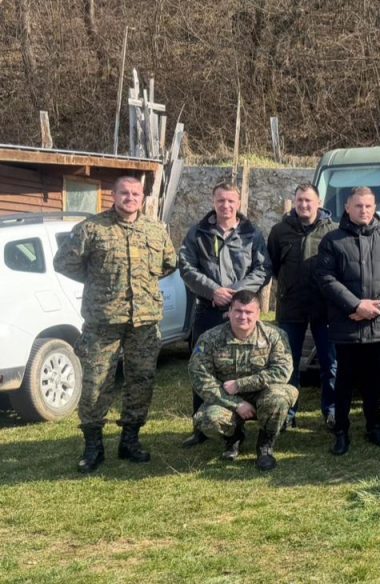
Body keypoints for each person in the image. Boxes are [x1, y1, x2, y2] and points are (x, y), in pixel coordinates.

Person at [53, 176, 178, 473]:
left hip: (144, 320)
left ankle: (130, 440)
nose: (130, 198)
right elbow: (64, 263)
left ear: (143, 197)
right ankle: (93, 446)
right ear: (113, 195)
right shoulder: (91, 228)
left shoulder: (155, 230)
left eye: (135, 193)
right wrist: (99, 283)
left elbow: (169, 263)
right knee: (96, 383)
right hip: (103, 320)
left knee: (141, 381)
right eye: (124, 193)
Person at [314, 187, 380, 455]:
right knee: (344, 380)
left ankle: (374, 427)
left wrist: (376, 308)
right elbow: (325, 278)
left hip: (378, 325)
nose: (364, 210)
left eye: (368, 206)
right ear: (347, 207)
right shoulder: (332, 241)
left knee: (374, 379)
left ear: (375, 207)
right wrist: (356, 305)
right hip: (347, 322)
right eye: (358, 206)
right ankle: (341, 431)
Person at [178, 182, 270, 447]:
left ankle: (238, 426)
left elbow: (263, 269)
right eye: (221, 200)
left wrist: (238, 292)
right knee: (203, 367)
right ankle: (200, 427)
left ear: (238, 203)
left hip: (242, 313)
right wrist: (213, 291)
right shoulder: (198, 232)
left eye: (231, 201)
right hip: (209, 310)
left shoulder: (252, 233)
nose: (226, 205)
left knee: (241, 367)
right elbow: (186, 266)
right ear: (213, 201)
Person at [189, 291, 297, 471]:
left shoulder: (274, 336)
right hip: (227, 397)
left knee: (280, 397)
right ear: (229, 312)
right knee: (208, 420)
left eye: (249, 312)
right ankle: (233, 438)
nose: (243, 316)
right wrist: (236, 403)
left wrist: (240, 385)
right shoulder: (210, 338)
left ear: (258, 313)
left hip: (263, 394)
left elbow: (282, 372)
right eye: (238, 311)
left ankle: (265, 446)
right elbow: (200, 376)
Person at [267, 183, 339, 431]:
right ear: (294, 202)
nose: (304, 205)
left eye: (308, 200)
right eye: (299, 200)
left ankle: (331, 411)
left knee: (330, 363)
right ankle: (288, 412)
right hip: (291, 306)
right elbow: (274, 265)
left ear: (319, 202)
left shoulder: (333, 231)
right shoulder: (279, 231)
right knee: (289, 362)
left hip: (325, 308)